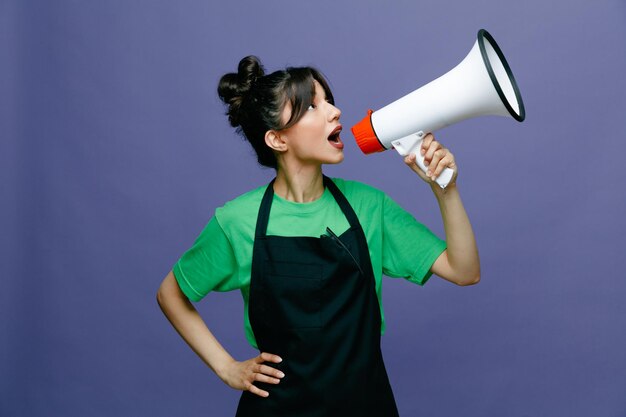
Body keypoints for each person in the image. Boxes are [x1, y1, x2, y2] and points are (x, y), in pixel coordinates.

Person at [157, 55, 480, 417]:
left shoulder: (368, 206)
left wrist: (446, 191)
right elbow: (170, 293)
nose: (335, 112)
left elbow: (464, 271)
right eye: (313, 106)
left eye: (329, 100)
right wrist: (226, 367)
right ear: (277, 139)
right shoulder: (237, 222)